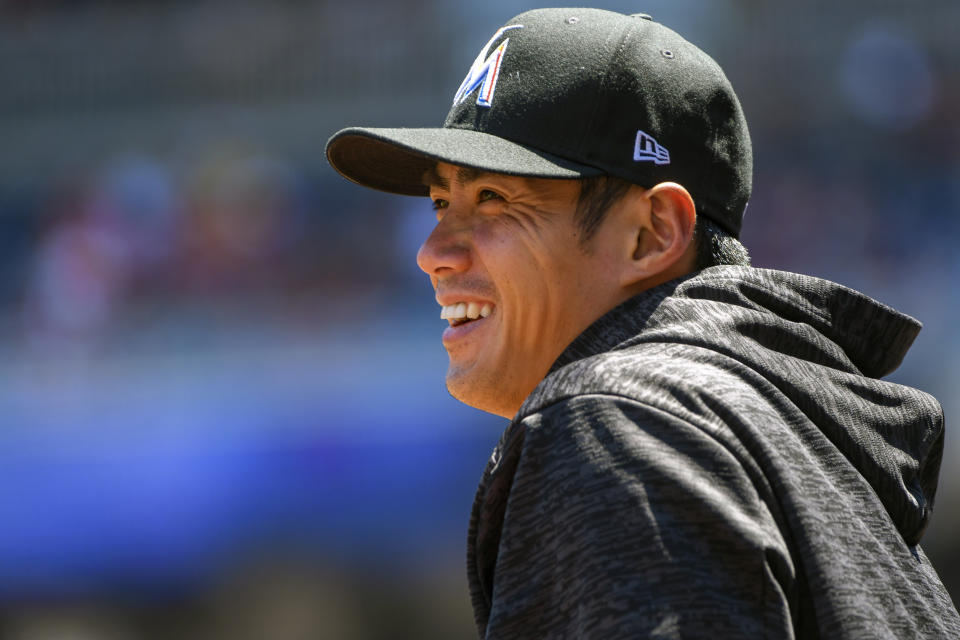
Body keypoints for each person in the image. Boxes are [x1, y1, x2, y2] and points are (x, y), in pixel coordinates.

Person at [326, 8, 960, 638]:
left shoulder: (618, 422)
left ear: (652, 234)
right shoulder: (778, 435)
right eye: (441, 202)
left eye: (493, 198)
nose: (432, 251)